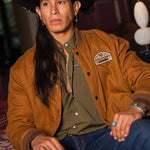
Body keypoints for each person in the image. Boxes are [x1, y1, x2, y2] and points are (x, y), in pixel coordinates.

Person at [6, 0, 150, 150]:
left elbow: (145, 76)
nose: (53, 10)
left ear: (75, 8)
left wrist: (136, 108)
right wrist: (35, 139)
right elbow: (17, 122)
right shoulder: (22, 68)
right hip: (59, 145)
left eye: (60, 2)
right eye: (46, 4)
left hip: (112, 136)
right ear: (40, 13)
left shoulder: (109, 44)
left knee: (144, 132)